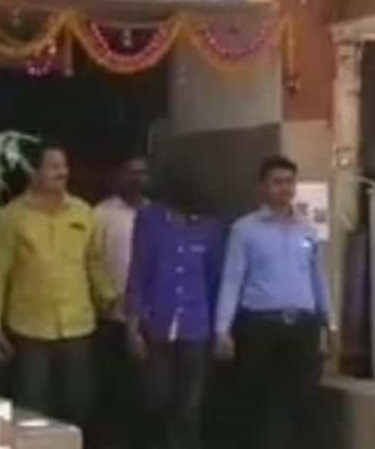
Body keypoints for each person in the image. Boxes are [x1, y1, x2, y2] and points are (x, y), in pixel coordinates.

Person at [0, 143, 118, 432]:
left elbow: (94, 262)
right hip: (31, 329)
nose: (62, 172)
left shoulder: (82, 212)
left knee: (79, 403)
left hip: (78, 325)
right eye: (53, 167)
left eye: (64, 166)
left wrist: (109, 298)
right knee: (32, 406)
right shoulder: (10, 217)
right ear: (34, 172)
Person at [214, 156, 332, 449]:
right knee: (259, 401)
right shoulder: (244, 229)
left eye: (289, 182)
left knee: (301, 400)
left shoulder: (307, 230)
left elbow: (318, 278)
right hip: (260, 326)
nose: (284, 189)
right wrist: (222, 329)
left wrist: (330, 323)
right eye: (277, 182)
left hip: (303, 327)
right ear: (262, 187)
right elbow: (232, 280)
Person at [124, 164, 224, 449]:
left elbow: (214, 279)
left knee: (189, 406)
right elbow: (139, 272)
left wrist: (218, 329)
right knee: (156, 400)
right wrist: (132, 327)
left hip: (196, 328)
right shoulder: (149, 219)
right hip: (157, 324)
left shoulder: (210, 227)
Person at [93, 156, 149, 449]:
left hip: (148, 320)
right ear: (118, 175)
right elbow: (91, 260)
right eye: (131, 172)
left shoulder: (155, 214)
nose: (138, 178)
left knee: (146, 394)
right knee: (114, 392)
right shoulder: (101, 214)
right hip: (112, 317)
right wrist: (105, 297)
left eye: (143, 172)